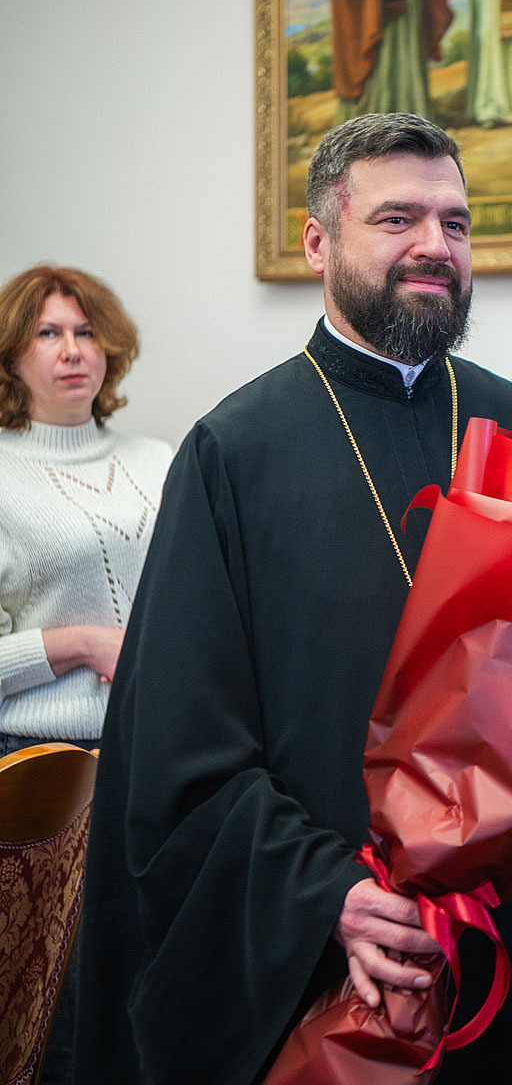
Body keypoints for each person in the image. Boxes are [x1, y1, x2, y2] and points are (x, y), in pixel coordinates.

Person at [73, 113, 512, 1085]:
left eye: (456, 223)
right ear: (318, 241)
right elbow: (179, 749)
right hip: (322, 961)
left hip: (508, 943)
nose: (435, 245)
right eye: (398, 219)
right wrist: (329, 894)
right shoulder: (234, 453)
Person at [0, 263, 172, 1085]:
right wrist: (79, 643)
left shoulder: (161, 458)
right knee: (62, 1015)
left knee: (158, 993)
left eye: (85, 331)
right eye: (47, 334)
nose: (72, 351)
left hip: (159, 760)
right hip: (46, 779)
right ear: (12, 356)